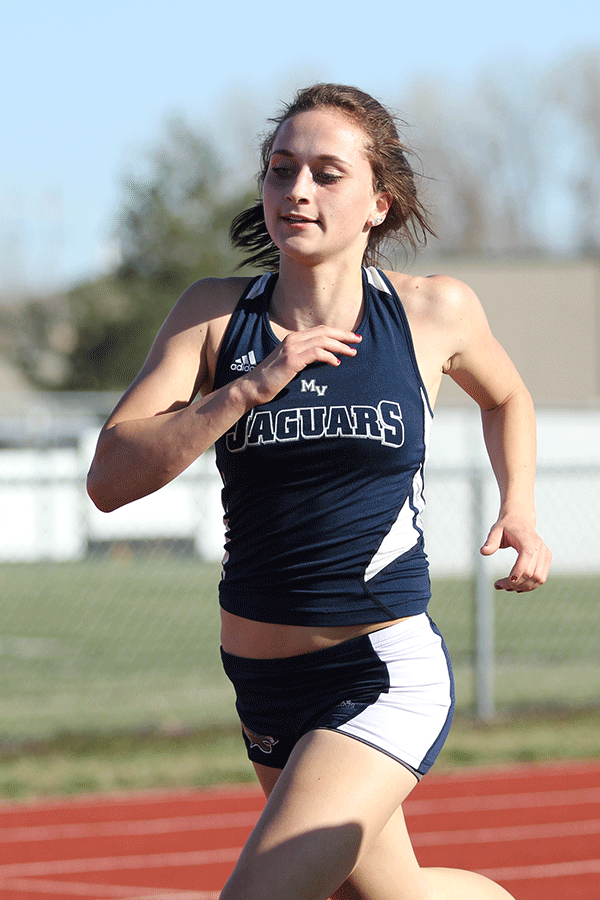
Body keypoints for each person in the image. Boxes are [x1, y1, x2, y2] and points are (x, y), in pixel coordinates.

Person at [87, 83, 552, 900]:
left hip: (379, 671)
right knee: (386, 895)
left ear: (379, 202)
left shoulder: (430, 311)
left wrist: (520, 506)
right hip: (262, 679)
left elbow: (507, 396)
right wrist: (241, 391)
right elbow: (110, 478)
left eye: (326, 173)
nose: (296, 190)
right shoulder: (212, 317)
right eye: (280, 169)